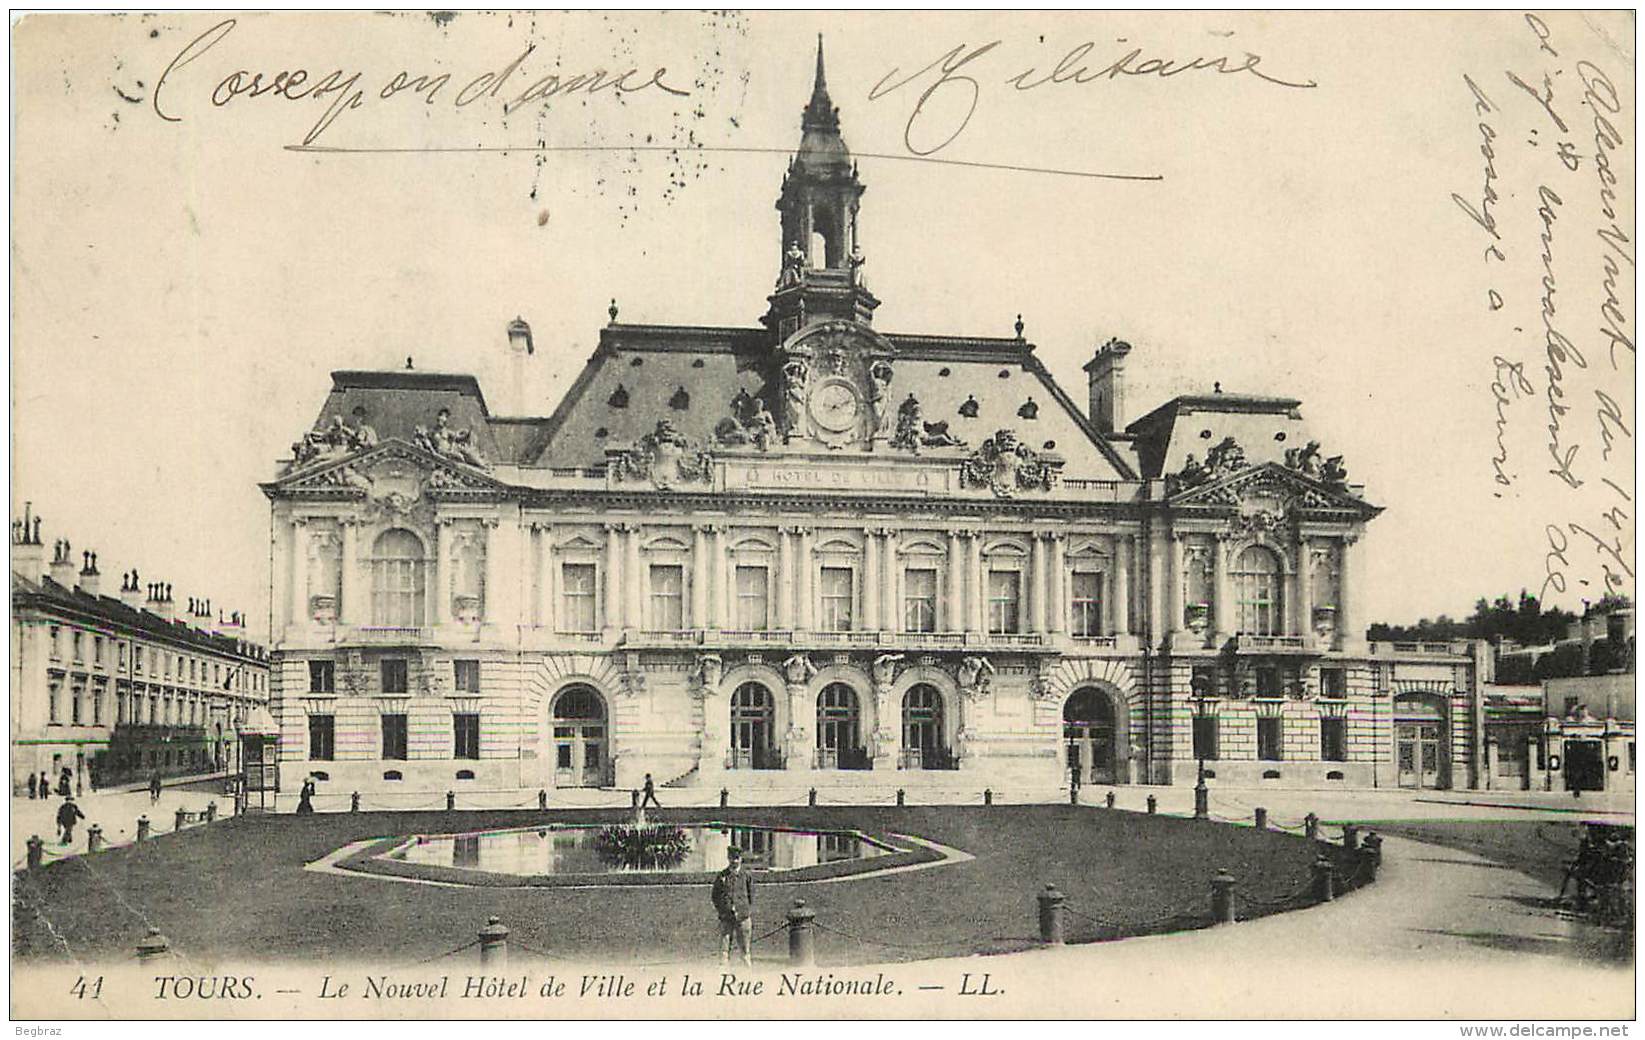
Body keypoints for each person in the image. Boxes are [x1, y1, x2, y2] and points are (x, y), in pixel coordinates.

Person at [712, 846, 755, 968]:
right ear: (728, 858)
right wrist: (723, 910)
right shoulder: (722, 876)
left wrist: (744, 910)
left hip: (743, 917)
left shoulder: (746, 875)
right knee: (725, 945)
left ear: (741, 859)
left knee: (745, 946)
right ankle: (723, 970)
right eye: (732, 858)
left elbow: (751, 895)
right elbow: (715, 896)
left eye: (737, 858)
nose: (734, 861)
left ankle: (747, 971)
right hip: (726, 917)